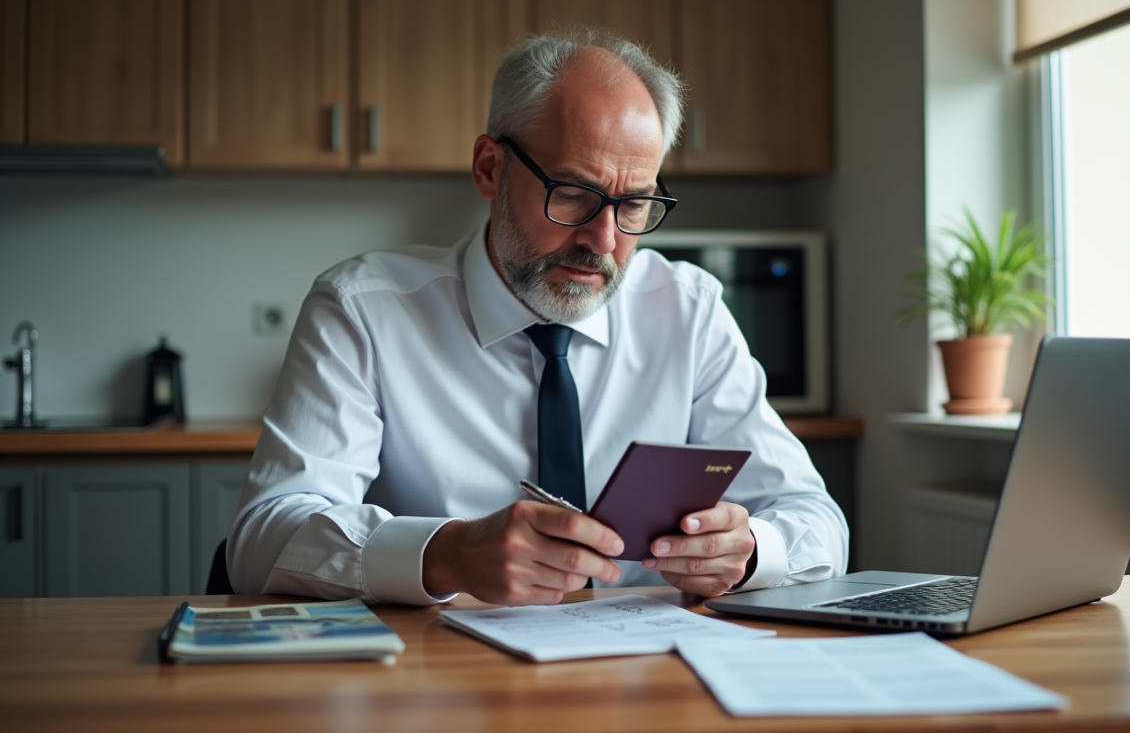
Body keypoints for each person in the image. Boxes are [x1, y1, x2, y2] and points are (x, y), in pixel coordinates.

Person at [228, 30, 848, 607]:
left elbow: (816, 520)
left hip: (643, 676)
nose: (604, 240)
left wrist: (748, 553)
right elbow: (260, 541)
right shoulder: (362, 309)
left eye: (634, 204)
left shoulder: (688, 311)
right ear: (489, 169)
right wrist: (444, 555)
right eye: (573, 194)